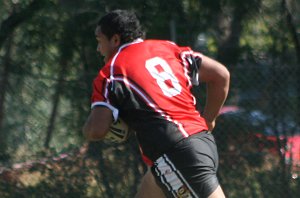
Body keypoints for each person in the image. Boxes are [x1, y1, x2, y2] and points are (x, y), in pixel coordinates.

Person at [83, 9, 230, 198]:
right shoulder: (168, 48)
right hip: (199, 144)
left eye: (99, 40)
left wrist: (86, 130)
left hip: (176, 154)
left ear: (115, 40)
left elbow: (96, 129)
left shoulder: (111, 72)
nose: (98, 49)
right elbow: (221, 75)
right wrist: (209, 121)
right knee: (151, 185)